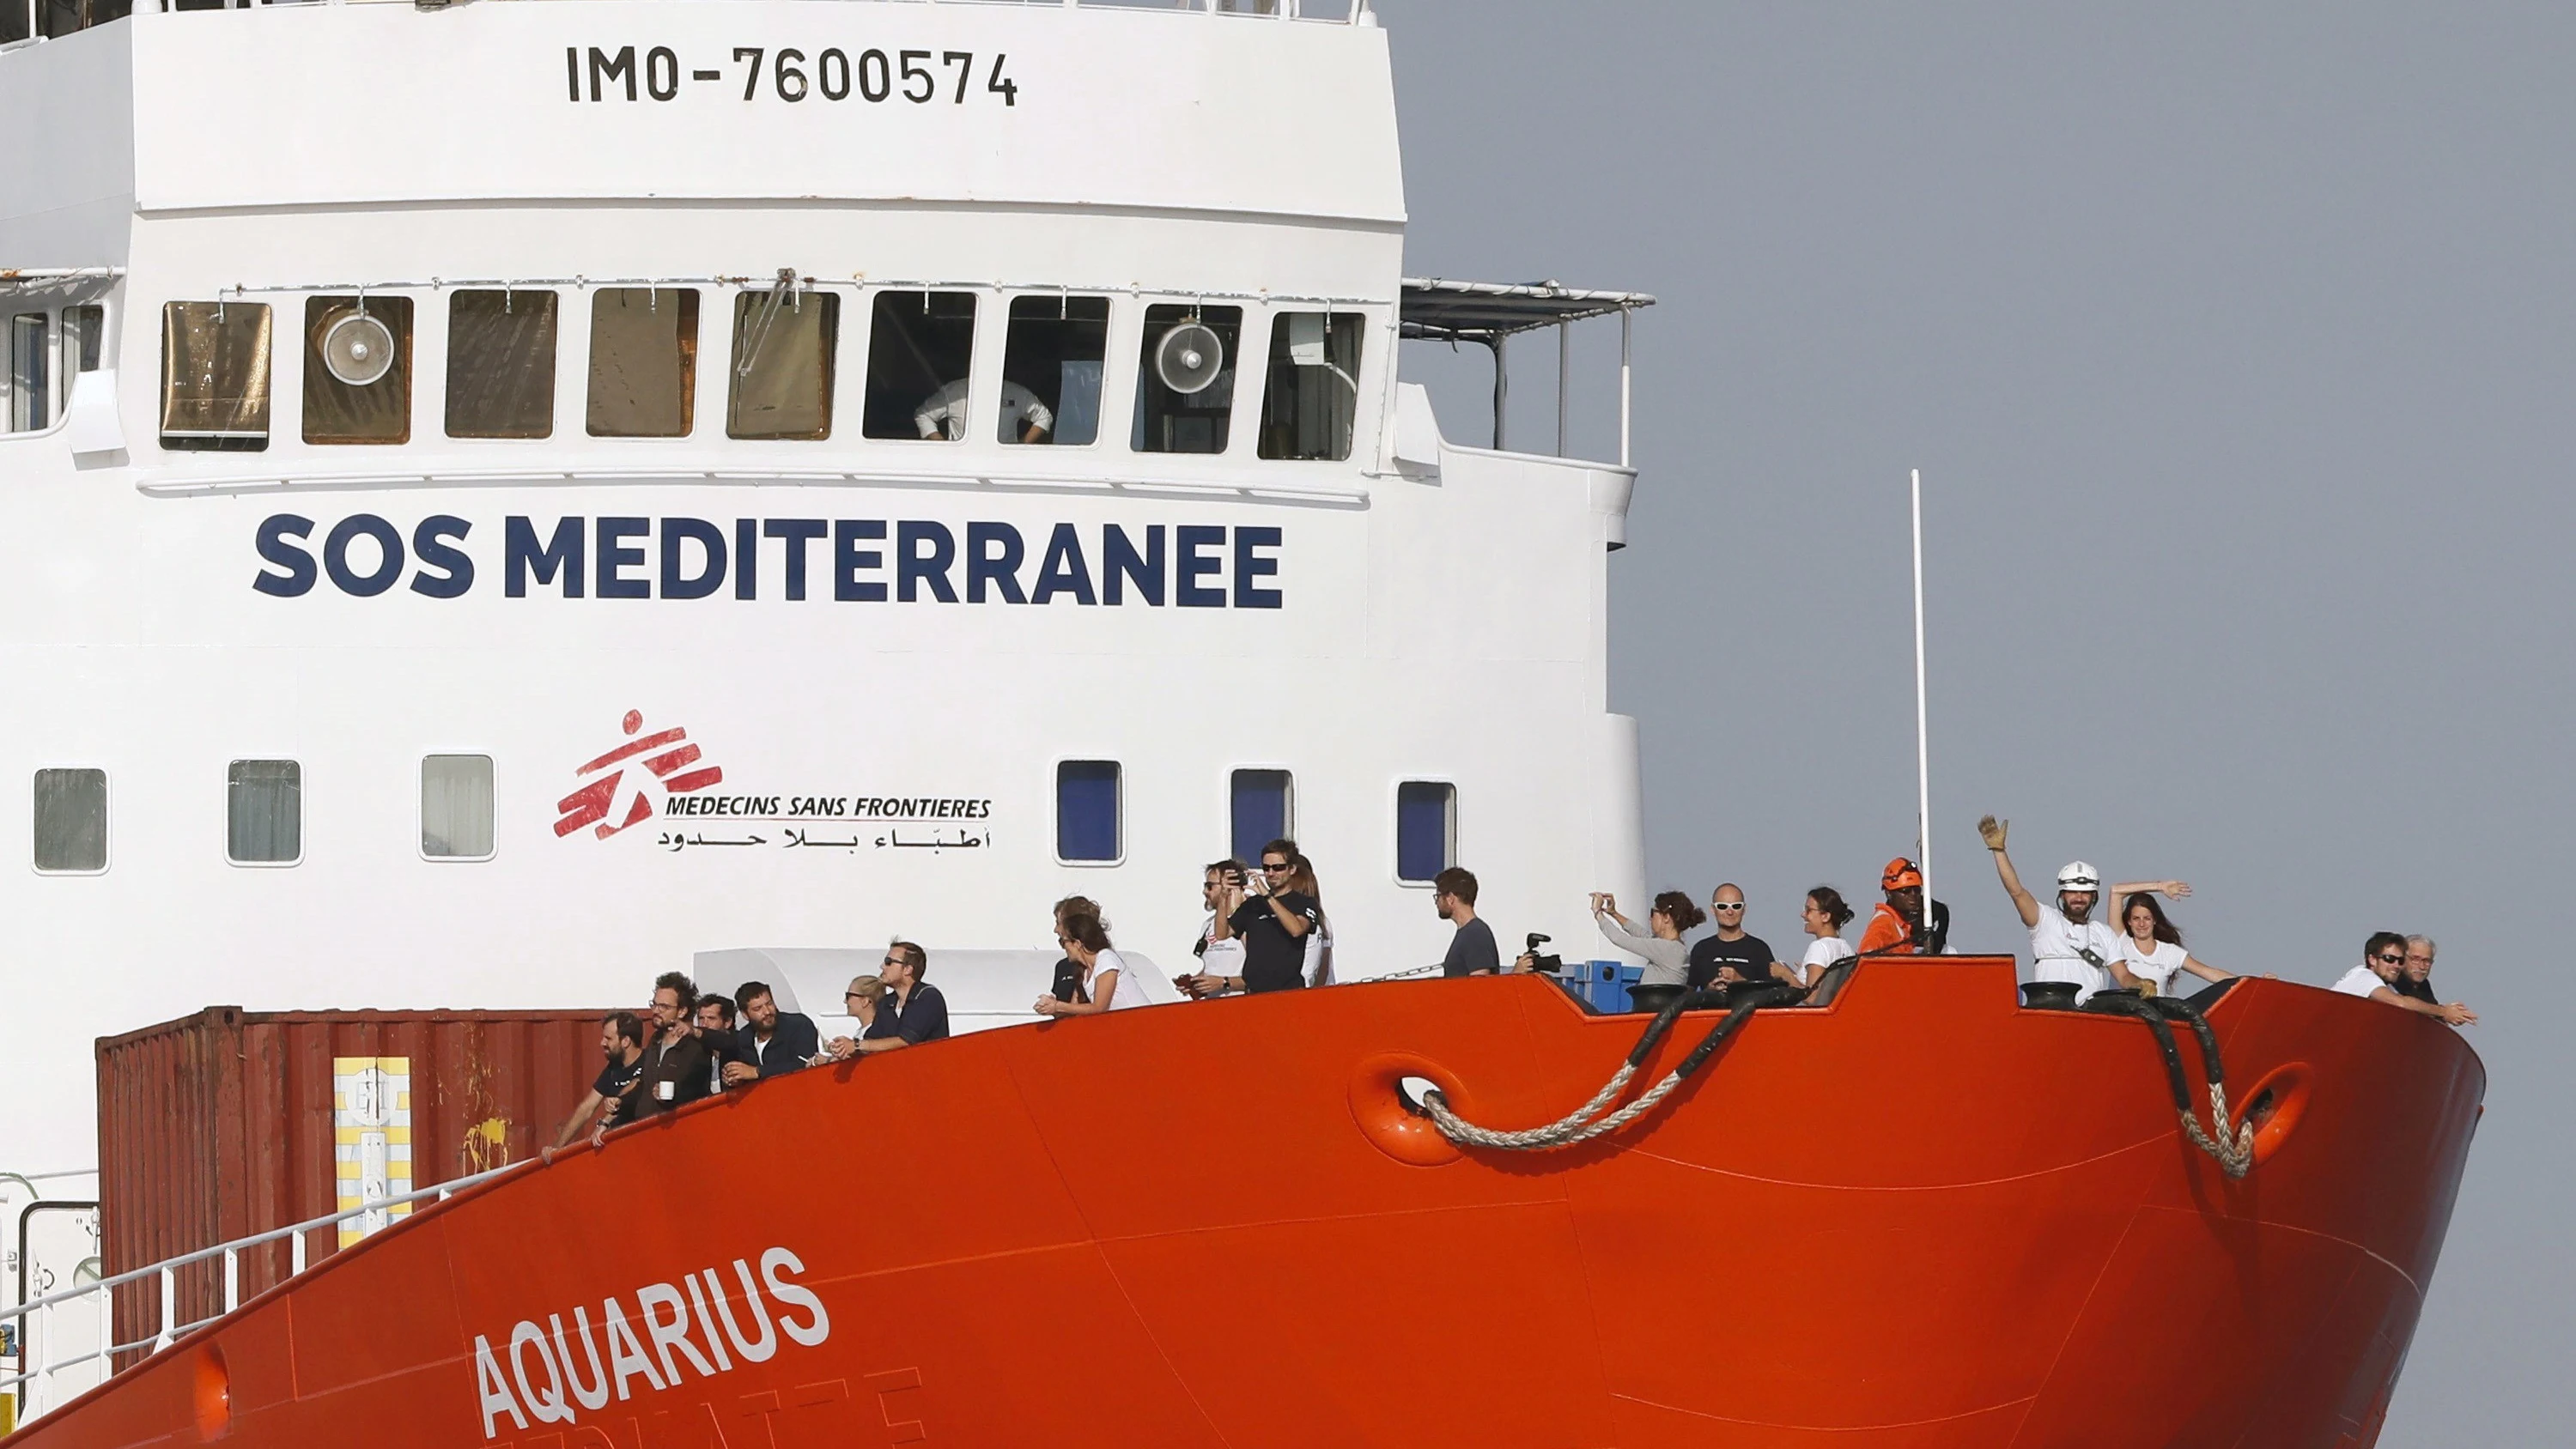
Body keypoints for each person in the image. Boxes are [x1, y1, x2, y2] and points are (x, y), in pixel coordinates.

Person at [1976, 815, 2188, 1005]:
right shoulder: (2045, 921)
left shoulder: (2103, 933)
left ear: (2093, 897)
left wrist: (2139, 983)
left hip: (2089, 1018)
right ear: (2062, 894)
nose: (2078, 898)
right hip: (2051, 1013)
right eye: (2072, 892)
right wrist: (1999, 851)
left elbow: (2123, 976)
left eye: (2085, 893)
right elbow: (2016, 892)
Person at [1193, 840, 1320, 995]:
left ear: (1292, 869)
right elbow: (1222, 934)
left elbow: (1296, 930)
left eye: (1278, 868)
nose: (1271, 873)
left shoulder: (1303, 902)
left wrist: (1267, 895)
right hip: (1254, 994)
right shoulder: (1253, 904)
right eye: (1266, 868)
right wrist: (1224, 898)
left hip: (1288, 992)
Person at [2332, 932, 2476, 1026]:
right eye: (2389, 959)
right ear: (2372, 960)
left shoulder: (2387, 988)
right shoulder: (2364, 976)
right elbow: (2401, 1003)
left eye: (2400, 961)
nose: (2396, 966)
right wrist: (2444, 1012)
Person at [2107, 894, 2234, 997]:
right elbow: (2116, 892)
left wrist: (2247, 984)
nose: (2141, 924)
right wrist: (2160, 887)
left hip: (2153, 1022)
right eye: (2136, 919)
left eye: (2147, 918)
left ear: (2155, 920)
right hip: (2120, 1019)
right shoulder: (2120, 942)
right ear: (2129, 921)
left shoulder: (2170, 953)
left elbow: (2208, 972)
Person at [551, 1011, 646, 1148]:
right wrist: (557, 1148)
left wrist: (606, 1119)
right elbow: (587, 1108)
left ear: (626, 1041)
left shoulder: (650, 1062)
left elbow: (637, 1084)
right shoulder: (613, 1069)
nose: (602, 1043)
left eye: (608, 1038)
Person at [1034, 908, 1145, 1016]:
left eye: (1064, 942)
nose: (1063, 948)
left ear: (1077, 944)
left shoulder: (1106, 960)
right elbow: (1074, 1009)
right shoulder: (1084, 971)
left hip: (1144, 1023)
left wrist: (1058, 1005)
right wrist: (1053, 1008)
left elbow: (1099, 1008)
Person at [632, 972, 714, 1118]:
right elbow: (644, 1084)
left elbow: (695, 1090)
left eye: (664, 1007)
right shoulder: (655, 1040)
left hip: (679, 1129)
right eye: (654, 1004)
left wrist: (673, 1094)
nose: (656, 1011)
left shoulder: (695, 1047)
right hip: (646, 1129)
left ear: (682, 1011)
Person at [1590, 889, 1701, 987]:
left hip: (1656, 1008)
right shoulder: (1672, 947)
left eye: (1653, 912)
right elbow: (1641, 933)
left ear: (1666, 917)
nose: (1650, 918)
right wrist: (1614, 913)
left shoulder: (1666, 949)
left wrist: (1598, 913)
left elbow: (1619, 939)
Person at [1686, 883, 1777, 990]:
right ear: (1713, 909)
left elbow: (1770, 994)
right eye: (1722, 906)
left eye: (1736, 906)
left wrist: (1740, 982)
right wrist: (1709, 992)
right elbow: (1689, 993)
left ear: (1744, 909)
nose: (1729, 912)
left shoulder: (1759, 949)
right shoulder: (1701, 949)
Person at [726, 981, 818, 1084]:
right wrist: (736, 1079)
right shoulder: (744, 1037)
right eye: (758, 1009)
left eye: (769, 1004)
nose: (767, 1012)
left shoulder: (798, 1025)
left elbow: (805, 1063)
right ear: (745, 1015)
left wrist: (757, 1071)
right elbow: (746, 1074)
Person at [1182, 860, 1250, 998]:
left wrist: (1225, 983)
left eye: (1209, 886)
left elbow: (1265, 977)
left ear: (1230, 887)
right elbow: (1214, 968)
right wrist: (1196, 983)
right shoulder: (1208, 924)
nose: (1205, 891)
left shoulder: (1251, 921)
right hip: (1212, 1006)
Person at [914, 378, 1053, 443]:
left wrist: (1022, 446)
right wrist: (941, 444)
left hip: (1005, 463)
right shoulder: (954, 391)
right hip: (960, 462)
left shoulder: (1016, 392)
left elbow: (1044, 417)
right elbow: (923, 415)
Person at [1432, 867, 1501, 977]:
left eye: (1438, 896)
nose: (1436, 902)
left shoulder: (1475, 934)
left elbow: (1480, 984)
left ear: (1450, 898)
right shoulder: (1469, 932)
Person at [1783, 887, 1856, 989]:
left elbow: (1813, 998)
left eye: (1809, 910)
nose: (1803, 914)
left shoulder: (1818, 947)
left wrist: (1786, 975)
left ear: (1825, 916)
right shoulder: (1847, 948)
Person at [1857, 858, 1928, 955]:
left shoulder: (1901, 924)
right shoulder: (1883, 921)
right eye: (1905, 891)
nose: (1913, 895)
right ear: (1889, 893)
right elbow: (1866, 955)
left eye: (1917, 890)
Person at [694, 993, 756, 1094]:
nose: (704, 1024)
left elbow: (727, 1042)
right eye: (701, 1019)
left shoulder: (740, 1044)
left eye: (711, 1018)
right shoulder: (699, 1051)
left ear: (727, 1022)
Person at [823, 975, 889, 1060]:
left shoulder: (877, 1033)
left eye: (848, 996)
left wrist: (827, 1060)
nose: (845, 1001)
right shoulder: (862, 1031)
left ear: (864, 1001)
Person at [2396, 936, 2440, 1003]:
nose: (2422, 967)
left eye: (2427, 961)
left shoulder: (2424, 985)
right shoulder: (2393, 980)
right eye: (2415, 960)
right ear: (2402, 958)